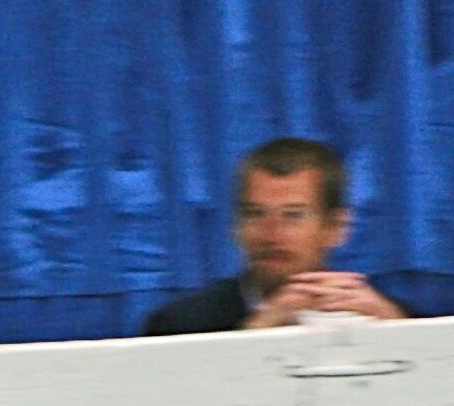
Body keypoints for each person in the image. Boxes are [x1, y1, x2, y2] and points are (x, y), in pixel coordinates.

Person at [144, 138, 417, 335]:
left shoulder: (395, 318)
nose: (271, 233)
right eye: (255, 214)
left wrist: (399, 331)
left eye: (293, 215)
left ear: (336, 228)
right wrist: (259, 329)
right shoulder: (180, 326)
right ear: (236, 227)